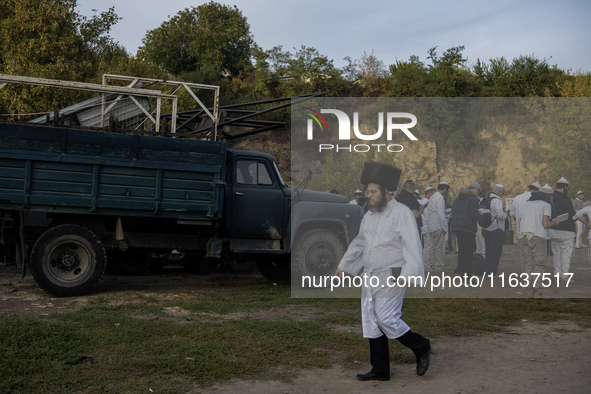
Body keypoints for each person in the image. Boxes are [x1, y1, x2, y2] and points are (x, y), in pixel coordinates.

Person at [334, 162, 430, 381]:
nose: (369, 195)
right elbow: (360, 243)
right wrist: (344, 265)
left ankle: (421, 345)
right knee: (371, 318)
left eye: (373, 191)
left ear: (387, 192)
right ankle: (380, 369)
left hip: (394, 272)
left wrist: (408, 275)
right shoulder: (370, 215)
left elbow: (412, 245)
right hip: (371, 274)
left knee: (386, 317)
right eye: (368, 191)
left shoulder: (402, 213)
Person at [518, 184, 562, 298]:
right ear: (548, 195)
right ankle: (538, 291)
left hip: (524, 235)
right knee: (539, 264)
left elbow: (520, 221)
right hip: (537, 236)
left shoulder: (527, 203)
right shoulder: (546, 204)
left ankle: (530, 290)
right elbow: (545, 224)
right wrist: (556, 222)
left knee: (529, 263)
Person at [549, 177, 577, 283]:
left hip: (553, 230)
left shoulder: (550, 198)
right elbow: (572, 214)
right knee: (566, 254)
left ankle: (557, 274)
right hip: (567, 232)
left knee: (556, 254)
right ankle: (564, 276)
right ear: (565, 187)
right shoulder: (565, 199)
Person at [450, 183, 481, 275]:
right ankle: (467, 275)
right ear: (476, 190)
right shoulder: (473, 199)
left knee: (462, 251)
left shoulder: (457, 199)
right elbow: (473, 214)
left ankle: (461, 272)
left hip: (457, 227)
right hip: (468, 228)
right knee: (468, 252)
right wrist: (480, 215)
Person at [511, 181, 542, 272]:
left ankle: (525, 273)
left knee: (524, 254)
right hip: (534, 230)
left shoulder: (517, 198)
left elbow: (512, 213)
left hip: (521, 231)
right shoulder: (537, 199)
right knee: (535, 254)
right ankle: (533, 273)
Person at [422, 182, 449, 272]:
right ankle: (438, 267)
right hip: (438, 225)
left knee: (433, 247)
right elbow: (441, 213)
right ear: (445, 189)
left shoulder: (432, 197)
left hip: (431, 226)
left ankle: (432, 265)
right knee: (439, 248)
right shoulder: (440, 198)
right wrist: (444, 227)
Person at [482, 184, 507, 276]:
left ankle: (487, 269)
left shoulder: (485, 199)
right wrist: (506, 215)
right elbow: (500, 215)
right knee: (496, 251)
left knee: (488, 250)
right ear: (499, 192)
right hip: (496, 228)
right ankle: (493, 271)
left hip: (486, 228)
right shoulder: (497, 201)